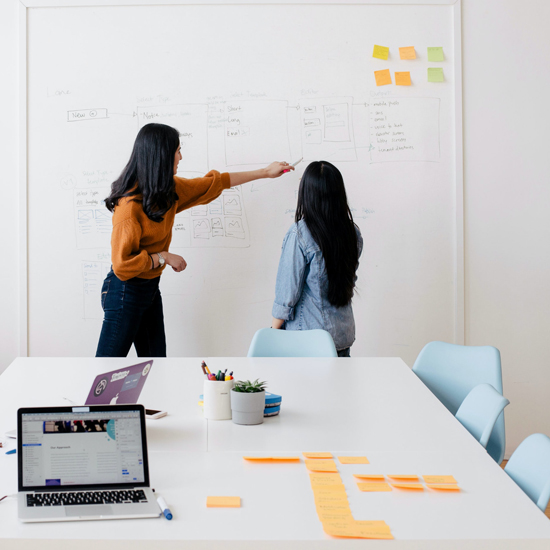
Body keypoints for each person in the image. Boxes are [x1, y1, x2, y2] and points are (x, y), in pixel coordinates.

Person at [96, 123, 293, 357]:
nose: (180, 157)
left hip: (149, 289)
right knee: (107, 370)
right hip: (123, 291)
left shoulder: (167, 191)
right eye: (177, 151)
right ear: (161, 155)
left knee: (157, 366)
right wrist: (163, 257)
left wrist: (265, 172)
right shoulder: (128, 208)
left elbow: (215, 183)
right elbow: (122, 266)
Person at [271, 161, 362, 357]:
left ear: (308, 192)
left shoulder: (300, 234)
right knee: (338, 388)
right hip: (341, 337)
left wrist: (272, 332)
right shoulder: (352, 232)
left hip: (307, 340)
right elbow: (348, 282)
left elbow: (287, 294)